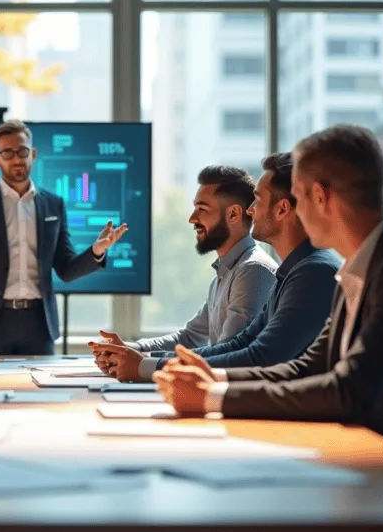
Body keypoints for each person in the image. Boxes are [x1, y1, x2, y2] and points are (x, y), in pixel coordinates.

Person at [156, 124, 383, 452]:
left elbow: (349, 390)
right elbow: (306, 367)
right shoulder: (358, 269)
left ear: (320, 197)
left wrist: (214, 397)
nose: (297, 213)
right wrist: (217, 380)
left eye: (299, 199)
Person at [93, 153, 340, 382]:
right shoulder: (291, 272)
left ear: (282, 209)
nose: (250, 210)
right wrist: (142, 360)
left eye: (258, 200)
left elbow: (260, 357)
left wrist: (149, 366)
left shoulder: (311, 272)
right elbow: (240, 345)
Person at [0, 119, 128, 355]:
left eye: (22, 151)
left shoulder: (53, 204)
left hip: (39, 324)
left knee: (42, 390)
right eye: (7, 152)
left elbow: (65, 269)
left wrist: (97, 251)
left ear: (33, 154)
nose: (16, 158)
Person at [91, 165, 278, 378]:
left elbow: (229, 352)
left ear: (233, 214)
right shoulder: (228, 271)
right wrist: (130, 349)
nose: (192, 218)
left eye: (202, 209)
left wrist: (145, 362)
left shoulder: (253, 271)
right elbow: (190, 337)